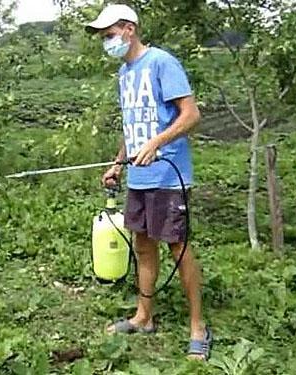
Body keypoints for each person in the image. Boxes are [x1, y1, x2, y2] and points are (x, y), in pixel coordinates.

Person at [85, 4, 213, 360]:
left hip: (168, 173)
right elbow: (134, 127)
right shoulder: (125, 73)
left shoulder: (161, 62)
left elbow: (191, 115)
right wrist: (117, 163)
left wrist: (158, 143)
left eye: (109, 36)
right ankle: (144, 317)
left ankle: (198, 327)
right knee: (142, 245)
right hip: (139, 176)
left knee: (178, 247)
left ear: (128, 29)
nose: (106, 43)